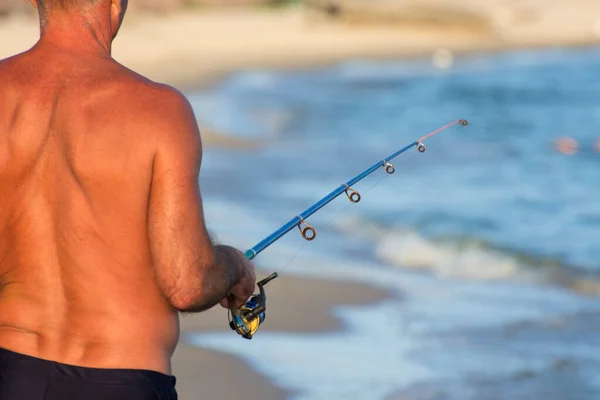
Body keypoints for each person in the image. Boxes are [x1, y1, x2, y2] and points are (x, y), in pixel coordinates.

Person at [0, 0, 257, 398]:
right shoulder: (159, 111)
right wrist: (235, 266)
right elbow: (187, 283)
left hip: (11, 371)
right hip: (119, 379)